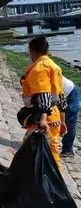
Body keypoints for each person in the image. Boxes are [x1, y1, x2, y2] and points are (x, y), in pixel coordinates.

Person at [19, 36, 67, 167]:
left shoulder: (39, 68)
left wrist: (43, 120)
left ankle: (45, 183)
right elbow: (60, 96)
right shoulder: (54, 67)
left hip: (44, 119)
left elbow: (43, 94)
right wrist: (63, 121)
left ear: (32, 51)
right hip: (55, 118)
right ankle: (51, 182)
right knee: (52, 153)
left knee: (30, 152)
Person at [61, 75, 79, 158]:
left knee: (69, 123)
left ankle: (68, 150)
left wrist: (62, 121)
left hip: (71, 94)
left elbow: (61, 105)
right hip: (64, 92)